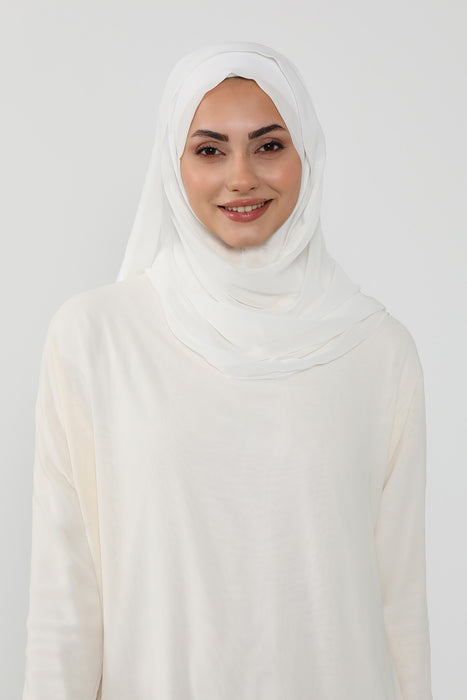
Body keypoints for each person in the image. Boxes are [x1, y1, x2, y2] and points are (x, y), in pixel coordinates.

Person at [22, 42, 433, 699]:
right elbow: (63, 607)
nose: (241, 177)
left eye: (268, 145)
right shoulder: (96, 339)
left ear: (307, 154)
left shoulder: (377, 351)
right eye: (209, 150)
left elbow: (400, 607)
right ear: (172, 165)